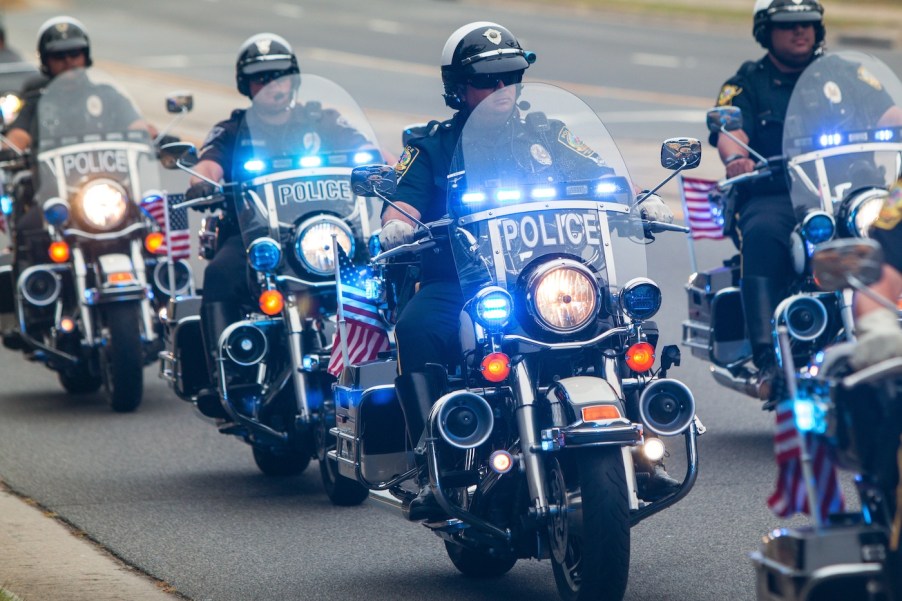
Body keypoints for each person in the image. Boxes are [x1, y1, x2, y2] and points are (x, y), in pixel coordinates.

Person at [379, 21, 676, 520]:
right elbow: (402, 205)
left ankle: (642, 453)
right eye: (487, 81)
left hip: (554, 279)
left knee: (626, 321)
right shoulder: (431, 147)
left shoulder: (549, 133)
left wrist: (641, 201)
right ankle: (442, 466)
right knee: (415, 326)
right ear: (458, 88)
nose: (501, 89)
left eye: (511, 77)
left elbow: (604, 176)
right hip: (463, 283)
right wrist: (396, 225)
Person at [185, 33, 372, 417]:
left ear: (294, 80)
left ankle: (389, 364)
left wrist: (388, 167)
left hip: (327, 232)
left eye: (281, 76)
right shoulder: (233, 130)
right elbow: (208, 163)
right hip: (257, 239)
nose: (273, 85)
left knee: (384, 267)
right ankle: (230, 378)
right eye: (261, 78)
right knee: (220, 273)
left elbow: (371, 151)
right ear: (246, 85)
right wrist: (203, 178)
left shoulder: (323, 119)